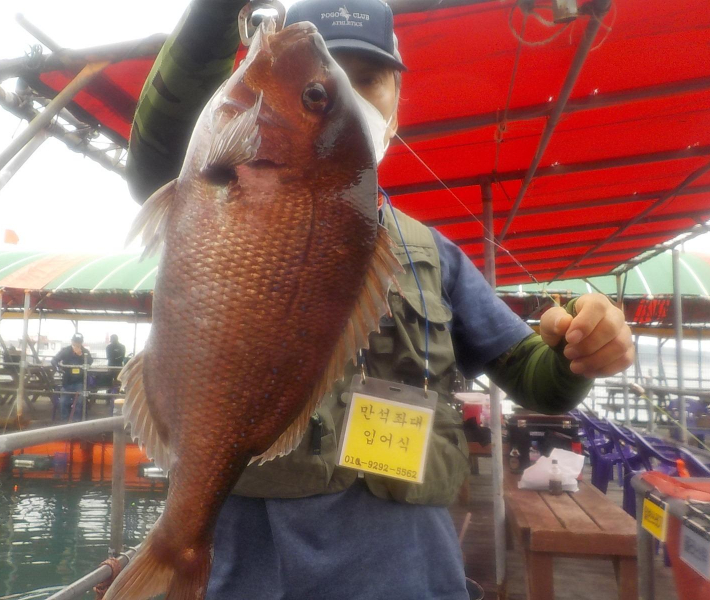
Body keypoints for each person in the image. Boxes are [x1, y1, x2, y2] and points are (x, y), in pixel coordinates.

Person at [126, 1, 635, 598]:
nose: (350, 92)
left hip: (410, 575)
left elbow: (534, 379)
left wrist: (579, 348)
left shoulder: (435, 253)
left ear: (396, 104)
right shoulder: (216, 179)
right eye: (328, 82)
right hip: (247, 574)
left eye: (367, 79)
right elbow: (158, 141)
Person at [51, 333, 93, 421]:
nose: (77, 344)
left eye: (79, 342)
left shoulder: (85, 351)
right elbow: (54, 360)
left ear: (82, 342)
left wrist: (81, 356)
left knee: (80, 401)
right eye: (75, 342)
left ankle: (76, 422)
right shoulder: (66, 350)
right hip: (67, 382)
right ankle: (64, 422)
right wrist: (58, 369)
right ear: (72, 341)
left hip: (80, 382)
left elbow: (90, 361)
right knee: (63, 402)